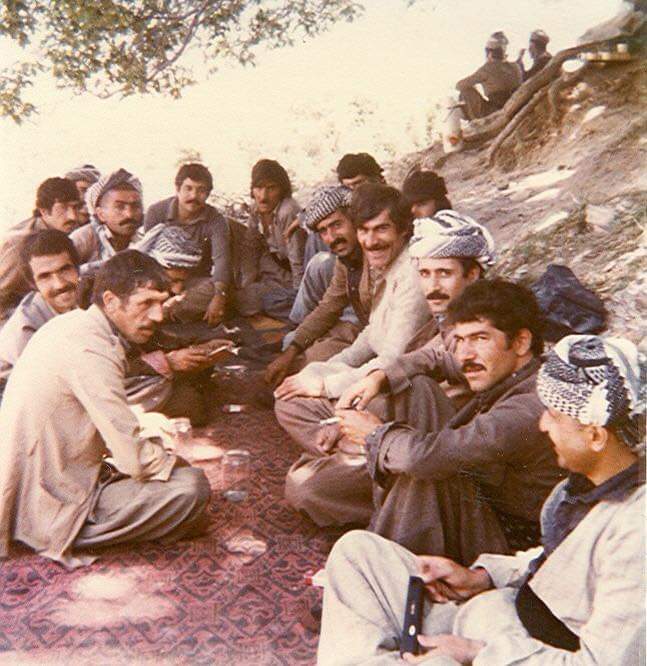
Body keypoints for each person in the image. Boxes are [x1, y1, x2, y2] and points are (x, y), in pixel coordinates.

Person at [318, 334, 645, 666]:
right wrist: (482, 576)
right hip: (492, 616)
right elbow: (554, 561)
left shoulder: (636, 533)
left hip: (517, 650)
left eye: (554, 417)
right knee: (357, 553)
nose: (543, 425)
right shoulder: (585, 485)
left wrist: (476, 653)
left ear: (595, 436)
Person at [278, 212, 495, 528]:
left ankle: (401, 498)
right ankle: (356, 459)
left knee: (306, 488)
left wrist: (371, 433)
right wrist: (348, 422)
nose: (432, 287)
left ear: (473, 274)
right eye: (425, 274)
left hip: (432, 453)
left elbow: (432, 402)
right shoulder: (443, 320)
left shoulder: (483, 329)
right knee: (295, 418)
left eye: (444, 274)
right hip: (401, 434)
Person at [0, 250, 211, 569]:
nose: (157, 316)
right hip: (47, 499)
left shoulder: (77, 325)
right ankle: (59, 533)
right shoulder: (91, 347)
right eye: (145, 304)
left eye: (160, 302)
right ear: (111, 301)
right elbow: (135, 460)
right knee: (191, 487)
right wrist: (172, 462)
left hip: (45, 475)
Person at [336, 280, 564, 561]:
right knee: (414, 386)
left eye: (480, 338)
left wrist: (374, 435)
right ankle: (391, 541)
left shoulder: (527, 409)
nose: (465, 354)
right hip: (483, 501)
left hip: (507, 543)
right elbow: (437, 358)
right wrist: (378, 378)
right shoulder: (509, 366)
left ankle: (386, 570)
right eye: (460, 340)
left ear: (520, 342)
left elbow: (423, 458)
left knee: (424, 470)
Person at [274, 183, 429, 527]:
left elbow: (391, 362)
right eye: (365, 231)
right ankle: (352, 454)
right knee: (289, 398)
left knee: (304, 490)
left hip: (400, 395)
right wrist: (320, 372)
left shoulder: (415, 275)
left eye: (382, 230)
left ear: (404, 229)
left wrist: (326, 385)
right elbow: (370, 336)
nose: (371, 241)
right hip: (378, 389)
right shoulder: (383, 265)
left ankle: (380, 478)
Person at [264, 185, 366, 386]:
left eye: (336, 225)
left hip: (375, 335)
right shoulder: (344, 260)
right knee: (292, 343)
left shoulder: (373, 253)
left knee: (312, 361)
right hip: (354, 329)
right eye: (323, 231)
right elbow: (328, 306)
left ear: (354, 221)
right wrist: (293, 349)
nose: (331, 237)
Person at [144, 163, 231, 325]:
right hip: (159, 276)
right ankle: (163, 310)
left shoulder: (216, 220)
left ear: (208, 194)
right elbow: (146, 253)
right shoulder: (157, 211)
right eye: (188, 188)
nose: (194, 195)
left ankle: (163, 313)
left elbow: (222, 261)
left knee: (215, 290)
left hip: (192, 279)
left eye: (201, 190)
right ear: (177, 189)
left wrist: (220, 297)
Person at [0, 230, 80, 393]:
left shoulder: (87, 298)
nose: (59, 284)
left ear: (77, 269)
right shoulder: (25, 329)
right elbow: (51, 388)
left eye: (65, 269)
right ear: (32, 283)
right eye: (45, 277)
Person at [233, 159, 305, 320]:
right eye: (258, 188)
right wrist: (247, 283)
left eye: (271, 188)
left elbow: (297, 258)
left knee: (263, 302)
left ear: (282, 190)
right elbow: (250, 246)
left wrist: (300, 297)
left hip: (293, 274)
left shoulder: (288, 211)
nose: (263, 196)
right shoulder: (256, 209)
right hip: (272, 266)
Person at [0, 177, 80, 321]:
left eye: (75, 207)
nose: (73, 216)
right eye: (63, 208)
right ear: (44, 211)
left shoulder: (59, 232)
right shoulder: (21, 243)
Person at [70, 168, 144, 275]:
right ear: (100, 214)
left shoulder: (148, 235)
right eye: (120, 207)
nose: (129, 214)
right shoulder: (83, 239)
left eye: (135, 206)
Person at [456, 37, 522, 120]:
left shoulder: (487, 68)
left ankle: (476, 123)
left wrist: (473, 87)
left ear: (489, 54)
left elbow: (459, 85)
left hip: (497, 111)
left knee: (466, 92)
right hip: (517, 107)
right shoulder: (515, 66)